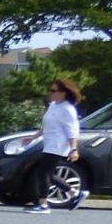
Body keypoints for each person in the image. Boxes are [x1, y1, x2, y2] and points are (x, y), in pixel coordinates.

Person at [25, 78, 86, 213]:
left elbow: (72, 131)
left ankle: (43, 205)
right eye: (50, 90)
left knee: (42, 173)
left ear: (64, 93)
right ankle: (75, 193)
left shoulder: (68, 109)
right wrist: (32, 138)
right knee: (49, 174)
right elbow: (46, 126)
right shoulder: (53, 106)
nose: (51, 93)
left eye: (54, 91)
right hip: (49, 143)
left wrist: (73, 149)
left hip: (58, 145)